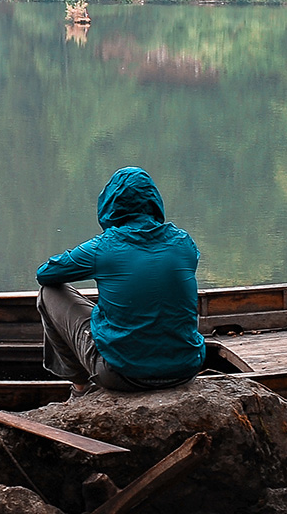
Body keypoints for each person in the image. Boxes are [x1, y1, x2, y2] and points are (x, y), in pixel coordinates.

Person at [37, 166, 205, 394]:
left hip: (122, 375)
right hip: (186, 370)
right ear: (155, 201)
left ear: (110, 203)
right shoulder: (184, 243)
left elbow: (45, 274)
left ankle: (80, 387)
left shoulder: (103, 247)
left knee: (48, 293)